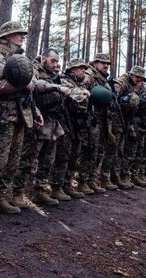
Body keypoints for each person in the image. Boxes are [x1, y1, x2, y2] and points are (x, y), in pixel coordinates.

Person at [0, 21, 42, 217]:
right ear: (6, 36)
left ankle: (0, 197)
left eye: (23, 34)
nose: (22, 37)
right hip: (2, 117)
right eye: (18, 33)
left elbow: (29, 88)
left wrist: (35, 111)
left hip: (20, 115)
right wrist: (21, 85)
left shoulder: (19, 57)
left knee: (13, 160)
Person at [12, 48, 72, 206]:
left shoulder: (54, 75)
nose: (55, 64)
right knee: (28, 160)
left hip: (52, 122)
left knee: (48, 160)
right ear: (43, 58)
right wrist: (57, 88)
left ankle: (40, 191)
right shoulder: (33, 70)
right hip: (36, 121)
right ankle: (17, 192)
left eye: (57, 61)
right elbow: (35, 85)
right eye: (52, 61)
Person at [55, 58, 91, 197]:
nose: (83, 71)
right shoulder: (64, 81)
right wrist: (83, 93)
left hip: (77, 124)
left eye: (84, 68)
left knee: (74, 155)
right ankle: (56, 186)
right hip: (65, 123)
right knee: (63, 156)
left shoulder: (80, 84)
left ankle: (67, 183)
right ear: (72, 70)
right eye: (80, 68)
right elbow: (76, 95)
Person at [112, 66, 146, 189]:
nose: (139, 80)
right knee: (115, 151)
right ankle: (112, 177)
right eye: (137, 77)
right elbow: (114, 96)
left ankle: (120, 175)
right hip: (116, 121)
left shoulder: (136, 86)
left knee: (122, 151)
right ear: (131, 75)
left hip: (126, 122)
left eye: (141, 78)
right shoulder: (122, 82)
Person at [82, 53, 113, 193]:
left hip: (103, 120)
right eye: (102, 63)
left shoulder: (104, 80)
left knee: (99, 151)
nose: (106, 65)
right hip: (91, 119)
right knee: (89, 151)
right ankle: (82, 180)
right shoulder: (89, 75)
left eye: (107, 63)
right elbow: (82, 90)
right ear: (95, 63)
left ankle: (91, 179)